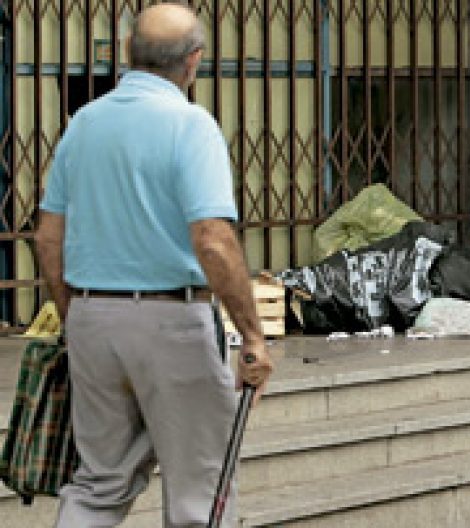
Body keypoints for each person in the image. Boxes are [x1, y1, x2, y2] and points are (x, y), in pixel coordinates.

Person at [34, 3, 273, 526]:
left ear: (126, 53)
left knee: (98, 484)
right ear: (194, 61)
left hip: (93, 317)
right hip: (173, 320)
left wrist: (72, 312)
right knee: (200, 488)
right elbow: (213, 239)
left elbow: (48, 237)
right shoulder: (190, 125)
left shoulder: (83, 125)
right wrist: (252, 335)